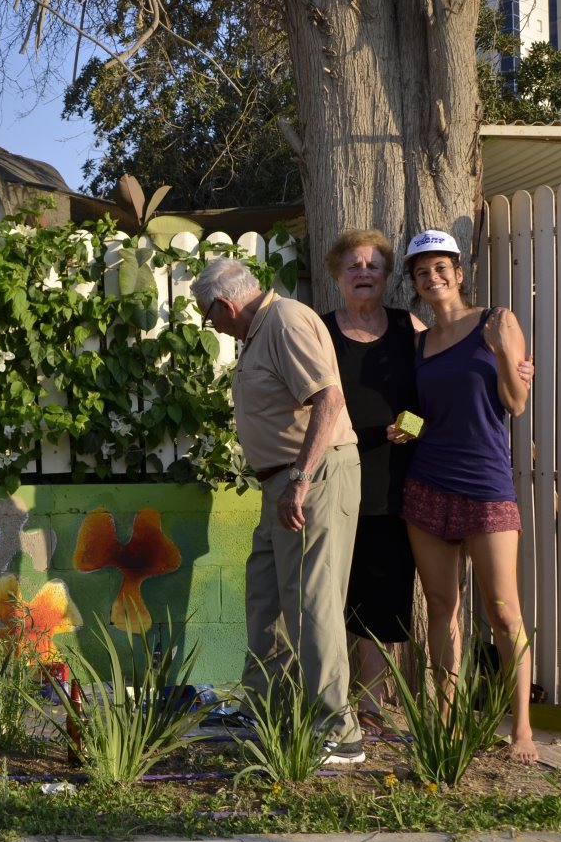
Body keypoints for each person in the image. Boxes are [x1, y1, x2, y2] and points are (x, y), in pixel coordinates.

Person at [193, 255, 365, 764]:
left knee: (311, 601)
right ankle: (265, 707)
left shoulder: (285, 320)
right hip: (282, 482)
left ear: (225, 305)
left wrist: (300, 479)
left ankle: (339, 731)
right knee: (266, 594)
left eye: (208, 316)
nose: (211, 326)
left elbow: (329, 400)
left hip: (311, 477)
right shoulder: (259, 331)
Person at [391, 228, 538, 762]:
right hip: (427, 483)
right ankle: (448, 724)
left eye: (440, 268)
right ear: (414, 283)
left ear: (458, 272)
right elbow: (421, 413)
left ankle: (521, 729)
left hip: (486, 485)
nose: (433, 277)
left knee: (503, 611)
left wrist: (501, 352)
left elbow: (516, 403)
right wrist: (403, 428)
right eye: (421, 272)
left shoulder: (497, 321)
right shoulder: (418, 343)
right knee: (441, 607)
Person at [320, 229, 422, 738]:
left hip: (394, 480)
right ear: (337, 276)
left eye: (373, 265)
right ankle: (329, 701)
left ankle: (372, 708)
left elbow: (436, 389)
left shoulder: (408, 327)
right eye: (353, 265)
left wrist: (413, 426)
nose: (364, 273)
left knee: (381, 596)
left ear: (386, 277)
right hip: (335, 476)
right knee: (331, 595)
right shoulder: (321, 330)